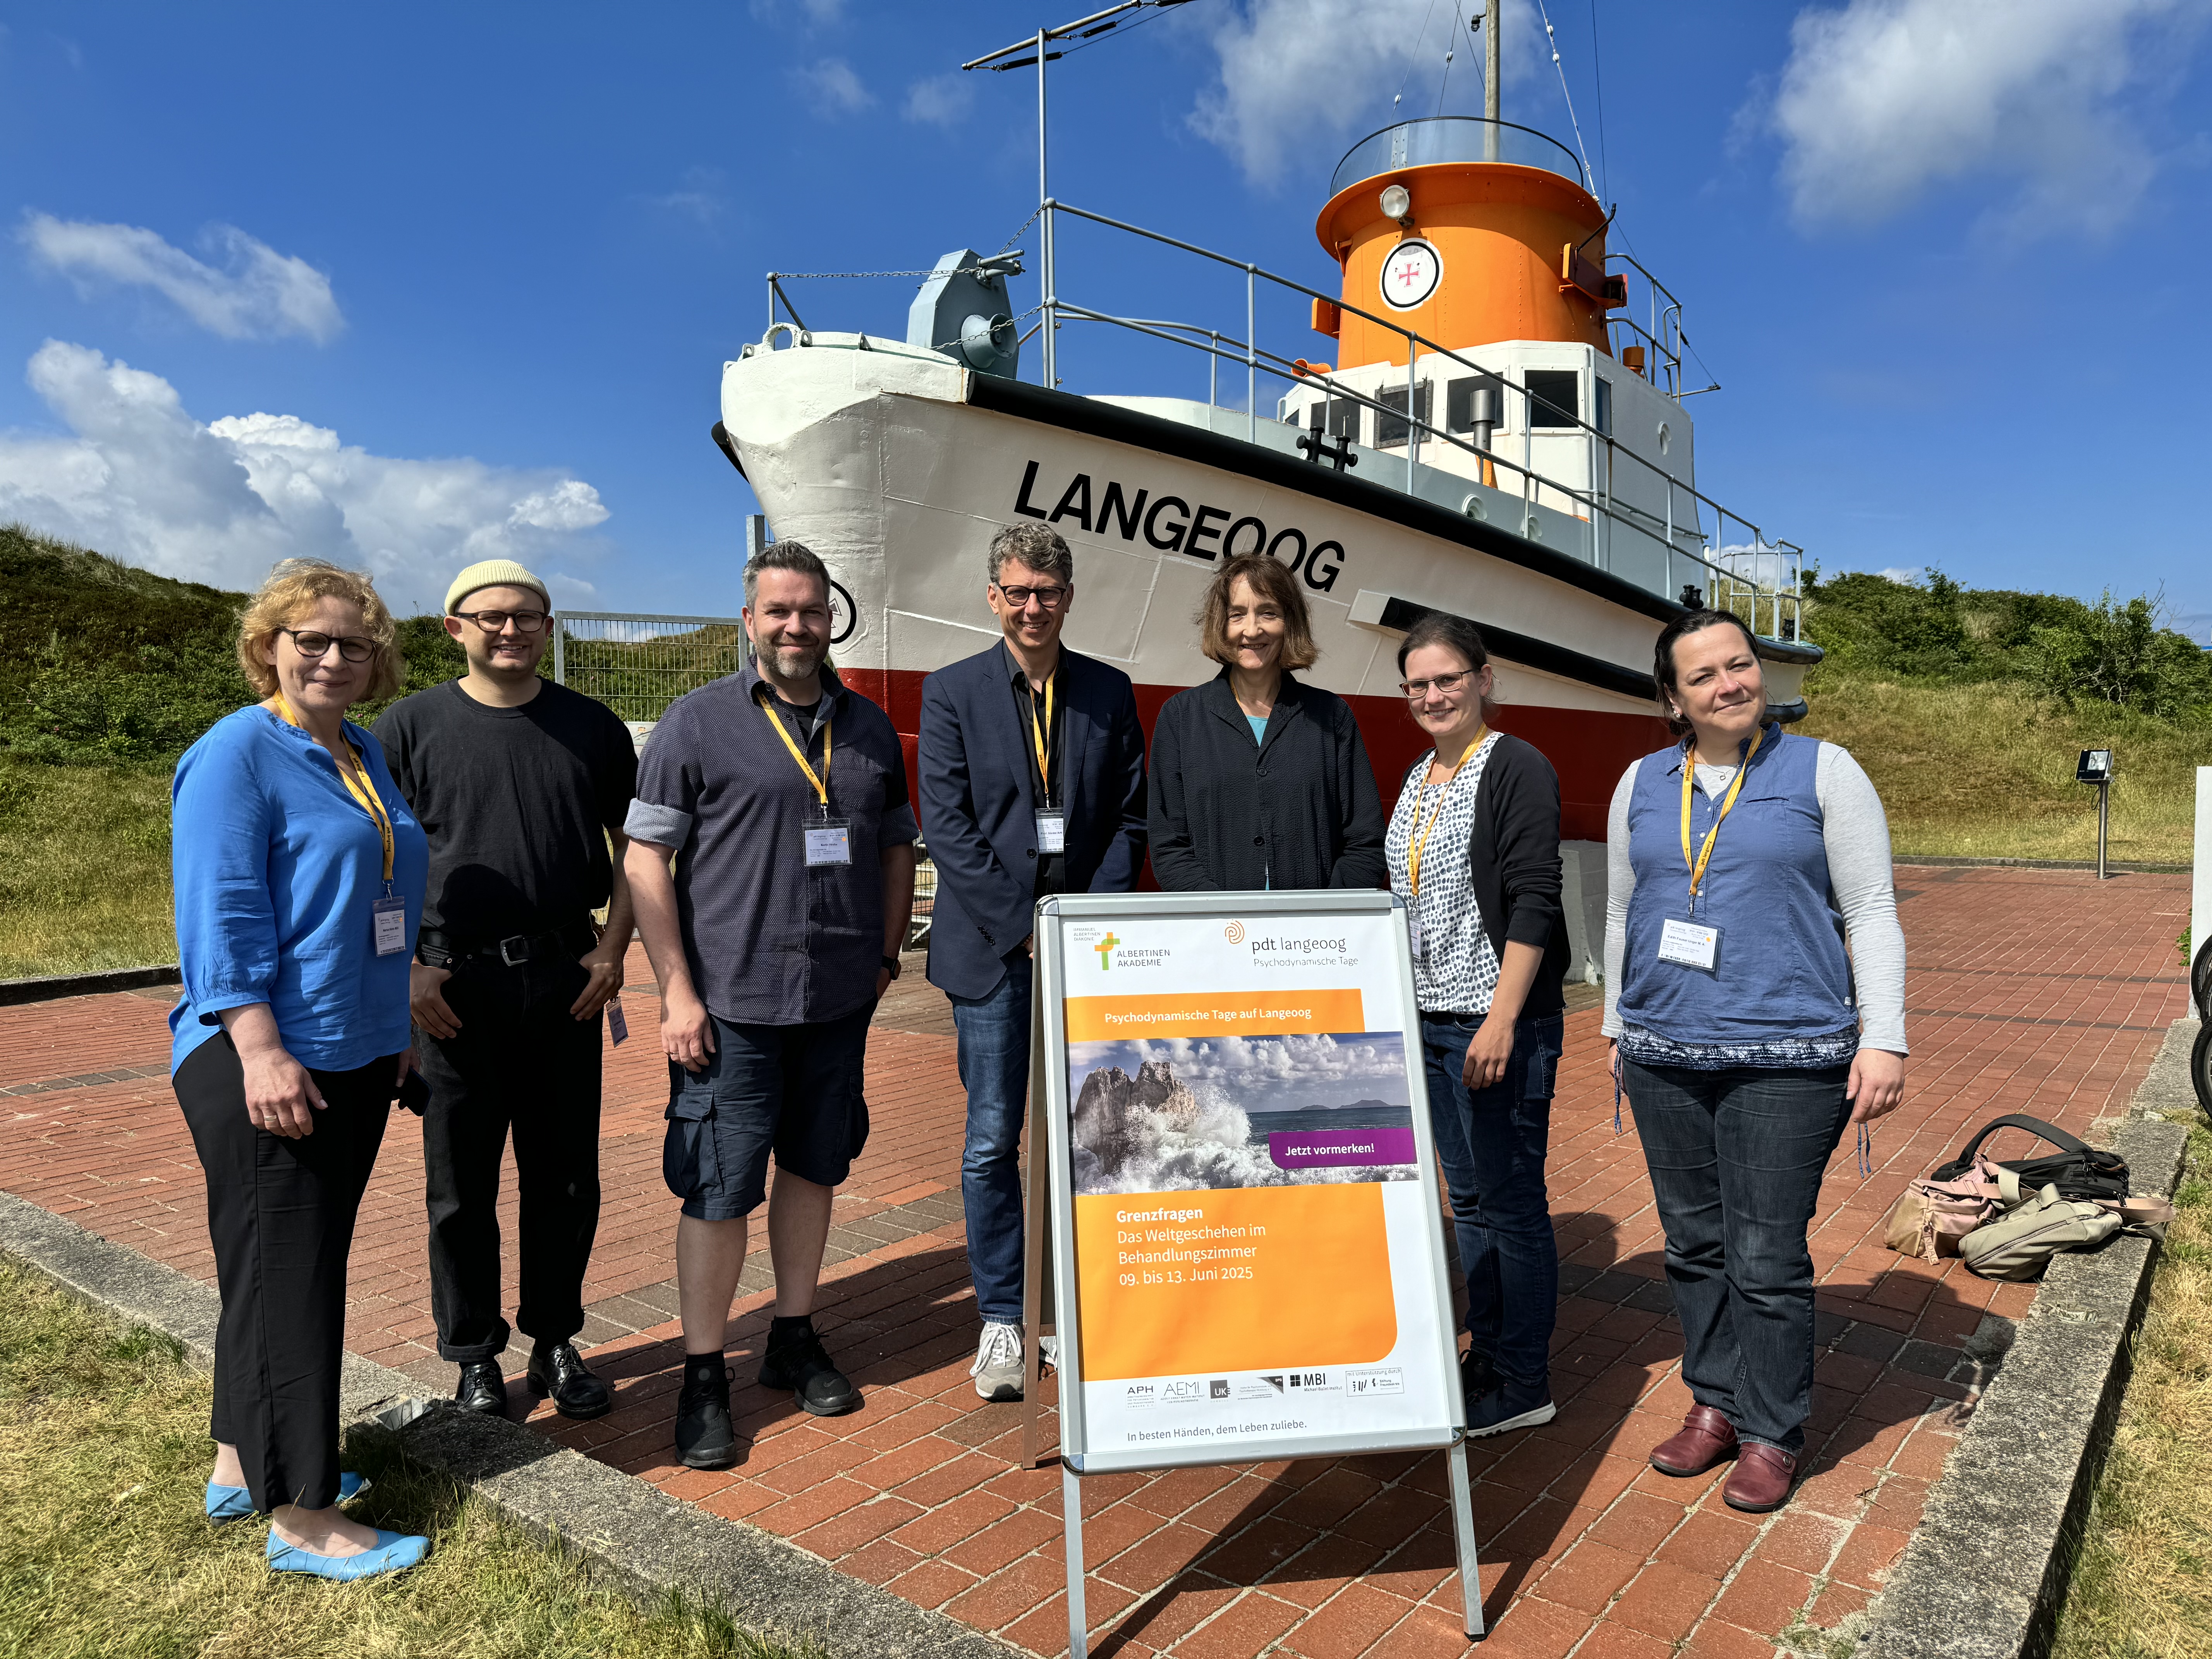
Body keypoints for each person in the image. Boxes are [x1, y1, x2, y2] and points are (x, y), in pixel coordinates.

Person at [1604, 608, 1907, 1515]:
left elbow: (1871, 912)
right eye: (1704, 676)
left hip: (1788, 1057)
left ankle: (1774, 1428)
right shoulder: (1641, 782)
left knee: (1766, 1253)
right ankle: (1716, 1402)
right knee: (1695, 1245)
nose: (1730, 683)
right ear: (1673, 698)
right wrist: (1620, 1026)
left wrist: (1884, 1034)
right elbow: (1626, 911)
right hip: (1663, 1053)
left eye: (1740, 665)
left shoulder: (1825, 772)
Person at [623, 540, 917, 1469]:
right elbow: (643, 859)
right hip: (732, 1005)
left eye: (813, 611)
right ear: (750, 622)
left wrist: (882, 958)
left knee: (815, 1170)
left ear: (833, 620)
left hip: (836, 1002)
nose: (798, 626)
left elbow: (897, 848)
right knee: (717, 1189)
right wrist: (676, 989)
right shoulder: (696, 723)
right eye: (779, 611)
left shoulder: (868, 729)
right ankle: (704, 1372)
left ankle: (794, 1336)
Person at [170, 559, 431, 1579]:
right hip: (271, 1058)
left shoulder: (358, 750)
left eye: (352, 643)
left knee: (270, 1272)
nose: (330, 656)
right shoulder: (237, 753)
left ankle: (243, 1460)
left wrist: (394, 1015)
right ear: (268, 646)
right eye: (309, 638)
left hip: (354, 1047)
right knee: (294, 1282)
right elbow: (221, 912)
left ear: (376, 661)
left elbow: (375, 898)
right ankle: (306, 1516)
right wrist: (261, 1048)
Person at [375, 559, 637, 1422]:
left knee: (566, 1180)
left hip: (568, 980)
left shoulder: (591, 728)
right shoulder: (406, 729)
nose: (511, 630)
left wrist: (613, 947)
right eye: (491, 616)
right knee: (460, 1186)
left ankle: (556, 1341)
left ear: (548, 628)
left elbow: (636, 847)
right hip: (454, 986)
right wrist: (403, 968)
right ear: (454, 627)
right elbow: (373, 860)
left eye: (528, 616)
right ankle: (473, 1355)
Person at [919, 522, 1148, 1400]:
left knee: (1091, 1134)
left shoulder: (1107, 692)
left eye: (1046, 592)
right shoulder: (951, 694)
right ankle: (1005, 1319)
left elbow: (1126, 823)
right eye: (1016, 592)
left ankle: (1079, 1311)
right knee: (991, 1139)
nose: (1032, 607)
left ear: (1069, 597)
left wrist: (1089, 928)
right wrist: (1024, 927)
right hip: (991, 954)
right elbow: (948, 825)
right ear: (993, 598)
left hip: (1083, 952)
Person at [1383, 613, 1571, 1439]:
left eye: (1447, 678)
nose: (1433, 695)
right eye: (1418, 684)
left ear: (1483, 678)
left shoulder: (1516, 766)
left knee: (1512, 1201)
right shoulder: (1418, 777)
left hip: (1492, 1022)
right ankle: (1487, 1353)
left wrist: (1503, 1018)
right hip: (1427, 1019)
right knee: (1468, 1197)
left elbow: (1536, 895)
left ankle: (1524, 1378)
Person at [1148, 553, 1384, 892]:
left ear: (1290, 622)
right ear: (1221, 624)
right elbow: (1169, 845)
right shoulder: (1181, 718)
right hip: (1218, 936)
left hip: (1315, 939)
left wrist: (1327, 917)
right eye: (1237, 615)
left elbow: (1365, 841)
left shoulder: (1332, 716)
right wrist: (1222, 920)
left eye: (1268, 613)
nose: (1252, 630)